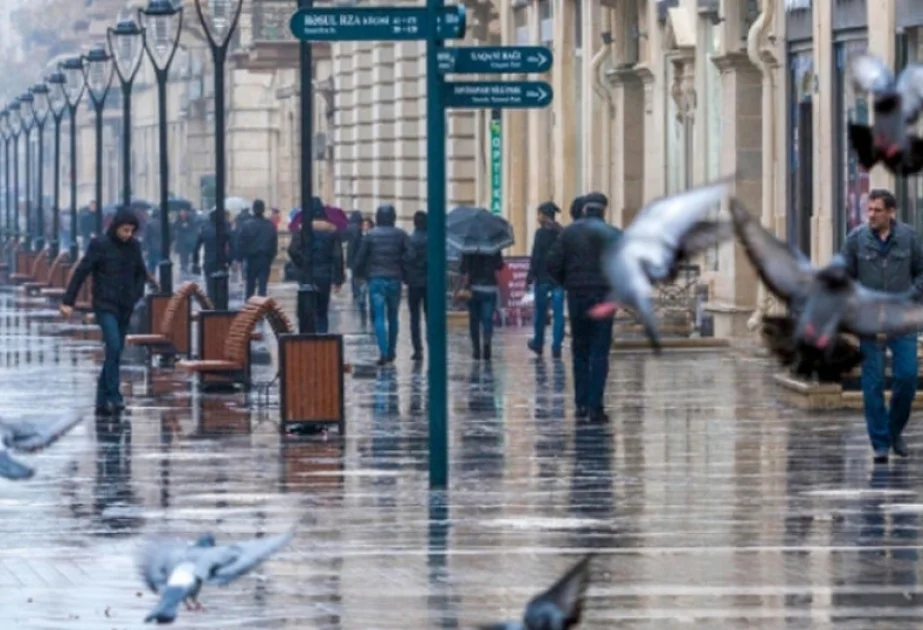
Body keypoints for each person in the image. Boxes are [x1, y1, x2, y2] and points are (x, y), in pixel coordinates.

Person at [842, 188, 923, 463]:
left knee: (907, 376)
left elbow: (921, 273)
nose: (872, 215)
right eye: (870, 210)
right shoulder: (856, 240)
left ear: (891, 212)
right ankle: (879, 444)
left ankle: (893, 430)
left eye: (877, 210)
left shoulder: (910, 238)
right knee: (872, 382)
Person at [59, 208, 152, 416]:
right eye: (125, 230)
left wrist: (136, 295)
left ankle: (102, 400)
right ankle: (115, 396)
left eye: (132, 231)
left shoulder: (134, 247)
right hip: (105, 305)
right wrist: (68, 301)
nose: (128, 235)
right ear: (116, 227)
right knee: (113, 344)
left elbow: (140, 273)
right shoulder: (100, 245)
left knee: (115, 352)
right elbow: (82, 271)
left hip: (125, 306)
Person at [547, 192, 622, 422]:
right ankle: (595, 406)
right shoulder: (614, 234)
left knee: (580, 349)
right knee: (600, 351)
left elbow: (553, 263)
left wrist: (567, 282)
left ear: (584, 209)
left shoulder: (568, 233)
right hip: (604, 297)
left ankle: (580, 404)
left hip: (577, 295)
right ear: (603, 210)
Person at [353, 204, 410, 366]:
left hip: (376, 279)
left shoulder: (370, 235)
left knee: (378, 316)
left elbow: (360, 258)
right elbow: (410, 254)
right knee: (393, 316)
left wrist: (359, 275)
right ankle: (392, 351)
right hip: (395, 278)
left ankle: (383, 351)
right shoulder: (401, 235)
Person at [288, 198, 343, 333]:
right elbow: (337, 256)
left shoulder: (302, 229)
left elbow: (293, 250)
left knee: (305, 310)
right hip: (325, 274)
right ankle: (322, 339)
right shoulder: (331, 231)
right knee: (322, 312)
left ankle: (307, 339)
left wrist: (303, 263)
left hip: (306, 275)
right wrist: (338, 279)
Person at [527, 201, 565, 359]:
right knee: (558, 314)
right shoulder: (561, 232)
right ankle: (556, 346)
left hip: (543, 279)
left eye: (539, 214)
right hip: (559, 280)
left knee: (541, 314)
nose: (538, 217)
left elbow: (536, 256)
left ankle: (538, 342)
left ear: (543, 214)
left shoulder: (540, 233)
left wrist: (530, 276)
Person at [459, 250, 504, 361]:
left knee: (474, 320)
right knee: (487, 319)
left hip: (474, 288)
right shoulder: (493, 246)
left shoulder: (469, 246)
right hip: (490, 288)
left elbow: (463, 268)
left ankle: (476, 350)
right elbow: (499, 265)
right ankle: (487, 344)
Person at [237, 199, 279, 298]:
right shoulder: (270, 225)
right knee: (262, 287)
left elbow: (241, 243)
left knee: (250, 286)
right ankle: (261, 308)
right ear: (263, 209)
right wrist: (270, 258)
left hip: (251, 258)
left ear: (253, 209)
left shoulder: (246, 225)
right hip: (264, 258)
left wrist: (240, 258)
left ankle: (250, 308)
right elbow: (274, 244)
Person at [404, 210, 428, 362]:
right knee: (430, 317)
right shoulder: (433, 239)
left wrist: (406, 278)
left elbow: (407, 260)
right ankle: (432, 344)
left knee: (414, 317)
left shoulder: (411, 240)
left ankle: (417, 349)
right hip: (430, 283)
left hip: (414, 283)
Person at [343, 211, 364, 302]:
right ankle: (358, 292)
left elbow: (343, 238)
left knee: (354, 274)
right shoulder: (359, 228)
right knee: (358, 274)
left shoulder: (349, 227)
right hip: (358, 253)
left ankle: (355, 292)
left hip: (351, 253)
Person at [173, 208, 198, 274]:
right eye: (182, 214)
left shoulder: (191, 220)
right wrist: (181, 226)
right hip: (181, 240)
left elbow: (194, 228)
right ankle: (183, 266)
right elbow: (175, 226)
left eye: (184, 214)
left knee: (186, 254)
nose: (183, 215)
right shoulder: (178, 220)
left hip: (188, 240)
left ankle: (185, 265)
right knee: (182, 254)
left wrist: (187, 227)